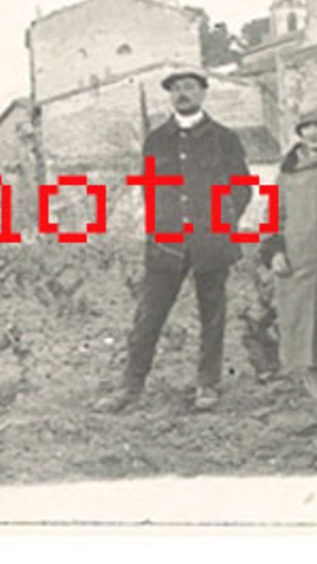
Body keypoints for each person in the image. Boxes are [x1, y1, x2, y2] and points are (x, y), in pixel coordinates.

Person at [93, 67, 253, 414]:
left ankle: (208, 385)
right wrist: (157, 228)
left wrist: (221, 224)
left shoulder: (225, 138)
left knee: (212, 314)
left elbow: (242, 188)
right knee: (149, 314)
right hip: (166, 240)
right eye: (176, 88)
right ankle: (130, 386)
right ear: (170, 95)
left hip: (212, 240)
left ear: (202, 92)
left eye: (190, 87)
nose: (183, 93)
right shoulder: (157, 139)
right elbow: (151, 191)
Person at [259, 105, 317, 404]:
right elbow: (273, 215)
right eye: (307, 127)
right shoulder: (287, 170)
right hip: (298, 262)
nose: (313, 133)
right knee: (304, 331)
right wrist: (274, 252)